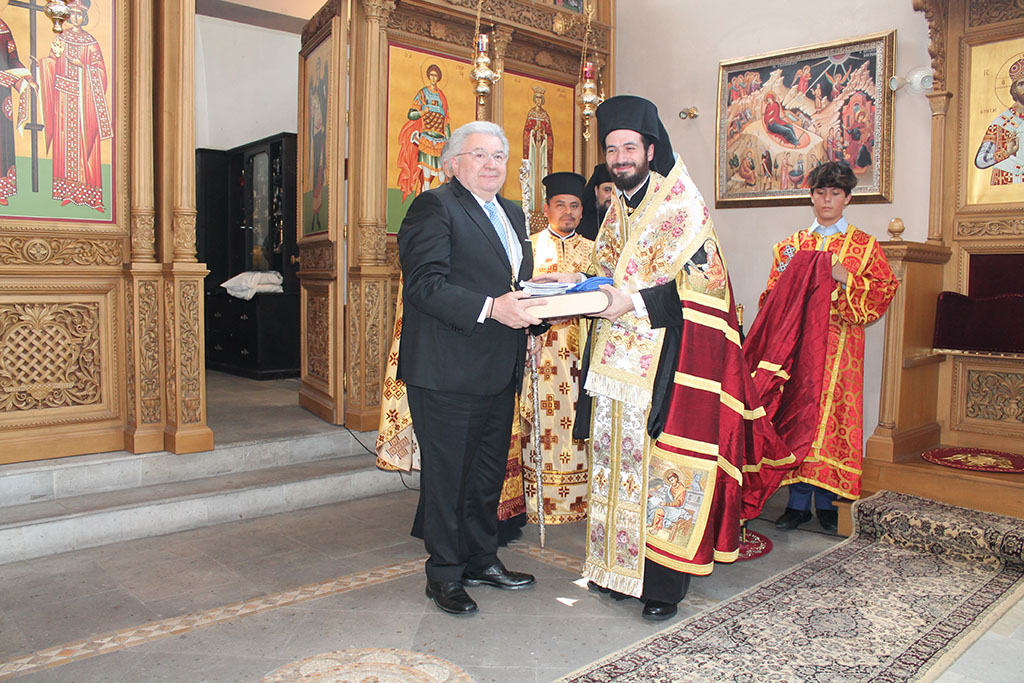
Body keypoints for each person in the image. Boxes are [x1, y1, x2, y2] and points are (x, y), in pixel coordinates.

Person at [539, 96, 779, 621]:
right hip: (613, 365)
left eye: (629, 147)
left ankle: (663, 587)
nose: (620, 157)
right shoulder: (617, 212)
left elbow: (706, 286)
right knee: (615, 468)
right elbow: (610, 274)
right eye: (612, 150)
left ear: (650, 149)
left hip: (665, 365)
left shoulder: (681, 206)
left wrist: (634, 302)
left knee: (658, 471)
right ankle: (618, 571)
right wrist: (576, 280)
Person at [397, 121, 545, 616]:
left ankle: (482, 559)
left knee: (486, 474)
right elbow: (424, 285)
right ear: (453, 163)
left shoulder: (512, 212)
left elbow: (511, 283)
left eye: (499, 156)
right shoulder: (434, 206)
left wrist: (545, 297)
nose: (491, 164)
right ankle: (443, 573)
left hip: (499, 365)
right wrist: (491, 308)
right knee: (449, 477)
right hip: (447, 369)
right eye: (479, 154)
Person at [762, 161, 898, 532]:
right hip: (798, 350)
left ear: (847, 198)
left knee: (831, 421)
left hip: (841, 350)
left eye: (835, 193)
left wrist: (844, 276)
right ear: (811, 196)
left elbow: (882, 291)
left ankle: (828, 504)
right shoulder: (791, 247)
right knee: (796, 417)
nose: (827, 200)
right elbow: (771, 297)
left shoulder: (864, 247)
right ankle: (796, 504)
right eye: (821, 192)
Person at [520, 172, 593, 526]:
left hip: (584, 354)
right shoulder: (529, 248)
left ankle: (582, 502)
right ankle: (540, 503)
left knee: (583, 423)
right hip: (542, 354)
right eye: (560, 205)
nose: (568, 212)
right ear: (546, 209)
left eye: (575, 206)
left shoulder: (594, 250)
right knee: (543, 427)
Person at [39, 0, 111, 212]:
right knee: (65, 144)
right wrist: (45, 63)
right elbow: (52, 62)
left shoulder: (91, 42)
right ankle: (67, 193)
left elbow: (101, 72)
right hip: (63, 99)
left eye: (80, 14)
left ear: (85, 17)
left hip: (84, 102)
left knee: (87, 146)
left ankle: (91, 196)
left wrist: (83, 67)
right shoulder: (61, 37)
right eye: (73, 14)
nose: (76, 18)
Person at [397, 64, 450, 200]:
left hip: (440, 140)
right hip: (426, 138)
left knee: (442, 176)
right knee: (426, 175)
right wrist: (422, 112)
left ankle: (440, 203)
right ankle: (426, 200)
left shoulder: (442, 97)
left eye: (435, 76)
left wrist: (450, 144)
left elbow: (446, 122)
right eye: (431, 75)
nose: (433, 78)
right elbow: (411, 114)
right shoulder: (422, 94)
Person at [974, 57, 1024, 186]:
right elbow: (981, 160)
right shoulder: (1001, 123)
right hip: (1008, 182)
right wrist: (1006, 153)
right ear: (1014, 89)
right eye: (1022, 84)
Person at [0, 19, 34, 206]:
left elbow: (11, 60)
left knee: (2, 140)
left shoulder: (2, 28)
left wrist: (25, 78)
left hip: (1, 94)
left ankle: (1, 189)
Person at [578, 163, 614, 240]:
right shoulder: (581, 223)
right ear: (596, 191)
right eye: (607, 190)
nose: (612, 196)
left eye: (617, 191)